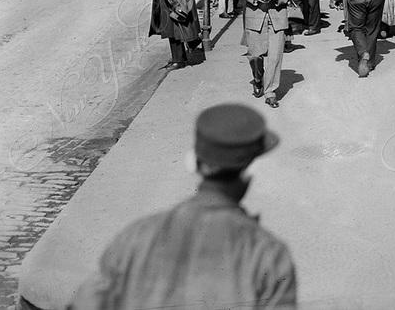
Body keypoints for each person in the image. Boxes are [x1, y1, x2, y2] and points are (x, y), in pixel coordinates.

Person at [69, 104, 297, 309]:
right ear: (250, 172)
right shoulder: (267, 254)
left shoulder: (136, 236)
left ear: (194, 164)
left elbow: (86, 302)